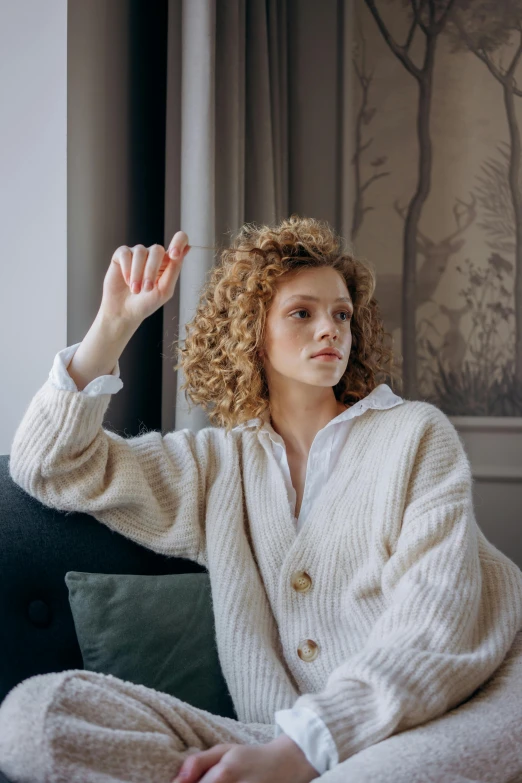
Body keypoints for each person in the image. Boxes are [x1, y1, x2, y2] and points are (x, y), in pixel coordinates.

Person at [1, 215, 522, 783]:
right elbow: (49, 466)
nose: (331, 330)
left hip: (470, 700)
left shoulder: (416, 435)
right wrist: (113, 324)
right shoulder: (215, 465)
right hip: (279, 736)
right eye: (303, 312)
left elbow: (435, 627)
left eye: (342, 314)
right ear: (252, 330)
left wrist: (300, 752)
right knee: (36, 718)